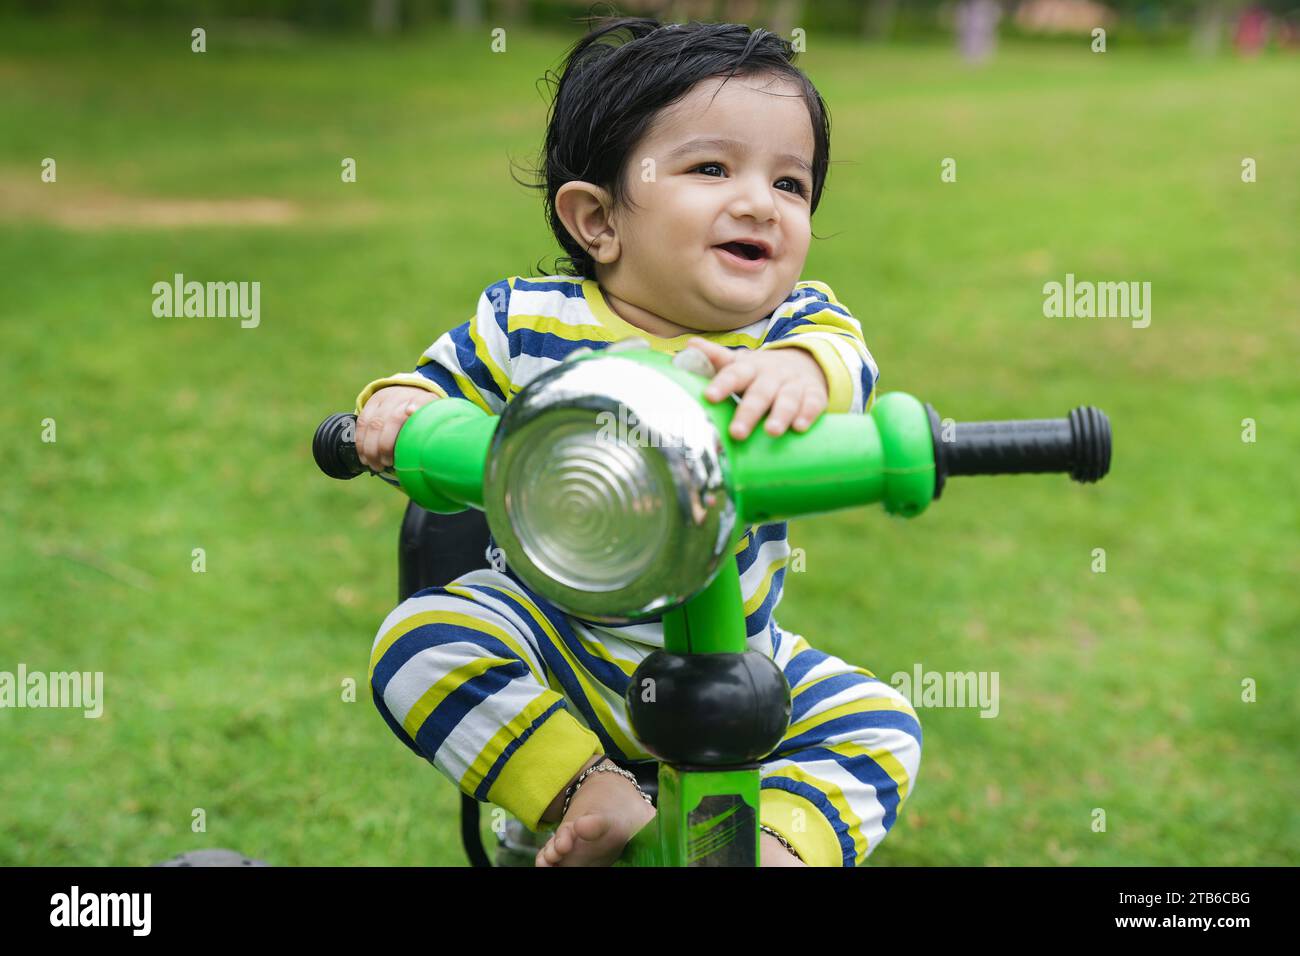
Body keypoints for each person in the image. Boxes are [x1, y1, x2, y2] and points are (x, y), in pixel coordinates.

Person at [353, 16, 921, 867]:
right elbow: (437, 387)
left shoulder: (790, 330)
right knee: (420, 640)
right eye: (711, 168)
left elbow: (843, 364)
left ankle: (770, 849)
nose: (760, 201)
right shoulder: (528, 322)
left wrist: (799, 373)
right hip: (558, 646)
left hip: (738, 660)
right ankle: (585, 793)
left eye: (792, 184)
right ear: (597, 220)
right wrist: (398, 406)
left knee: (881, 724)